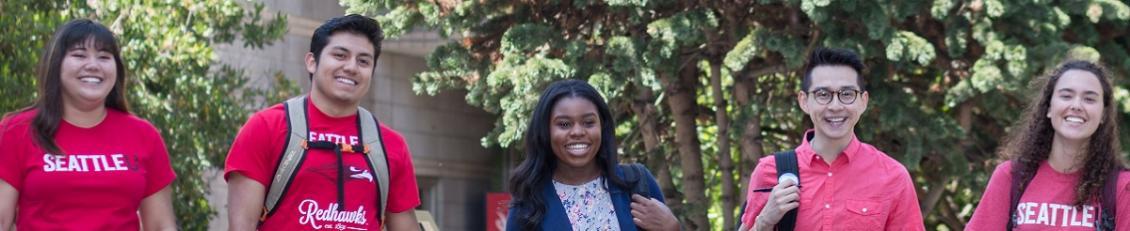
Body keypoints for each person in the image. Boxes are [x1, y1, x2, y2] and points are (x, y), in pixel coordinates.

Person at [224, 14, 421, 230]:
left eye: (363, 61)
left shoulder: (391, 145)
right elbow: (241, 226)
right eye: (340, 55)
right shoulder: (266, 127)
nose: (352, 67)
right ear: (311, 62)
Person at [0, 19, 177, 230]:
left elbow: (160, 226)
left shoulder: (144, 135)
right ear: (56, 64)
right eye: (79, 55)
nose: (93, 65)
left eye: (104, 57)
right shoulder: (16, 131)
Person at [738, 48, 925, 231]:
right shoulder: (770, 171)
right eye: (823, 95)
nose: (835, 106)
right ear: (804, 101)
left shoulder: (892, 176)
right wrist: (763, 222)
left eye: (847, 94)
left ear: (863, 101)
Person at [965, 60, 1129, 230]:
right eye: (1066, 96)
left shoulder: (1122, 187)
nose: (1076, 106)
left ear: (1103, 114)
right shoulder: (1011, 176)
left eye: (1089, 99)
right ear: (1049, 108)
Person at [505, 79, 680, 231]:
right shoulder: (530, 201)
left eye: (588, 122)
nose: (578, 132)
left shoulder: (636, 184)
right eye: (564, 124)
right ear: (545, 130)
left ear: (602, 127)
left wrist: (672, 228)